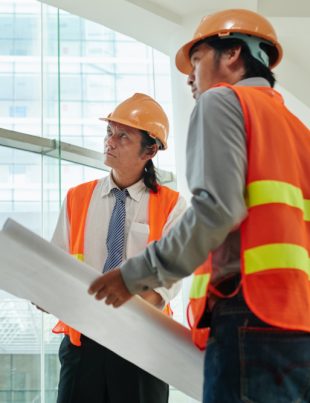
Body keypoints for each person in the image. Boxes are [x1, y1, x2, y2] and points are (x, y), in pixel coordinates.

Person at [88, 9, 310, 403]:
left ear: (233, 55)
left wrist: (132, 275)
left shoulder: (224, 101)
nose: (189, 77)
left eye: (196, 61)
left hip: (248, 316)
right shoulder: (299, 130)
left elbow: (217, 211)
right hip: (299, 329)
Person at [51, 92, 186, 403]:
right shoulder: (77, 198)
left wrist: (120, 310)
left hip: (142, 346)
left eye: (122, 136)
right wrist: (46, 290)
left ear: (150, 149)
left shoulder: (171, 206)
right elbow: (56, 264)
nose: (109, 142)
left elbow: (164, 287)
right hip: (83, 344)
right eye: (109, 132)